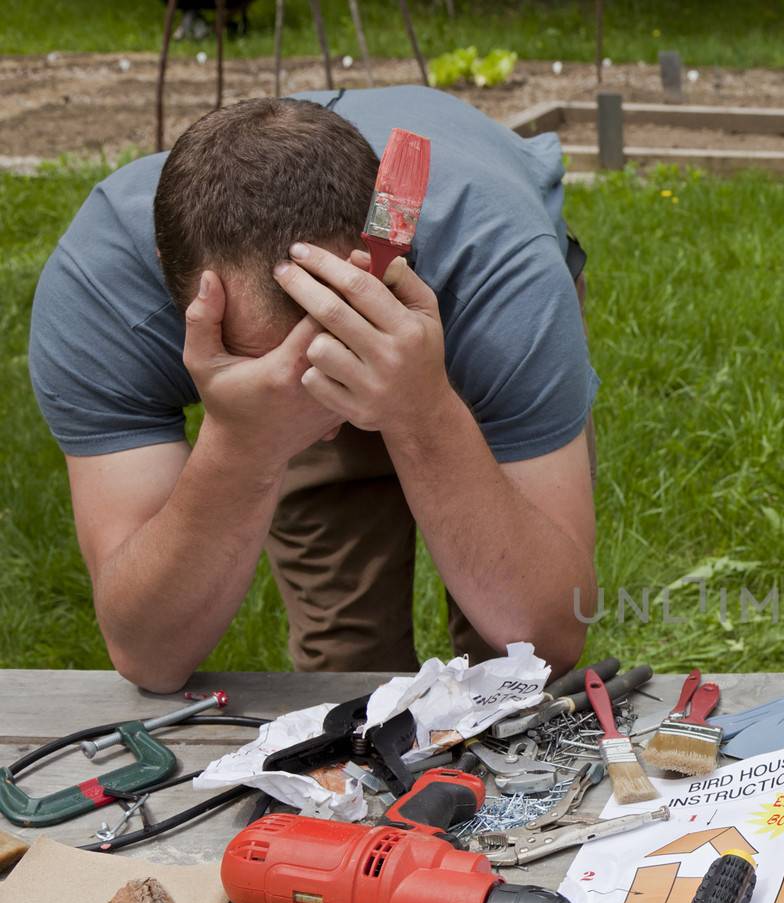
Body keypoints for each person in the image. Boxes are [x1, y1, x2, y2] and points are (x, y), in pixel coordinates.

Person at [28, 85, 596, 691]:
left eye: (339, 348)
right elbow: (148, 652)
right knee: (348, 668)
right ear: (181, 306)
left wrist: (424, 411)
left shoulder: (500, 270)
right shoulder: (101, 293)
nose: (324, 410)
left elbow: (545, 634)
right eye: (274, 372)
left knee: (514, 675)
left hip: (464, 296)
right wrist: (241, 443)